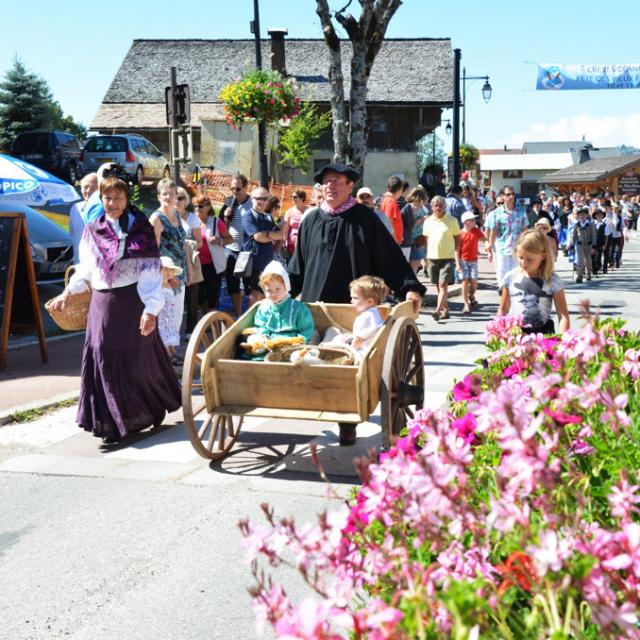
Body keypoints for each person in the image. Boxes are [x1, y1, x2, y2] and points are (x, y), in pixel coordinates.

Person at [49, 176, 181, 444]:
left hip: (131, 301)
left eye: (117, 197)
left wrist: (150, 309)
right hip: (101, 302)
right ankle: (111, 422)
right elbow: (85, 268)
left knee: (137, 360)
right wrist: (67, 292)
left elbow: (149, 273)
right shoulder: (93, 229)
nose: (112, 203)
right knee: (101, 355)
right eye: (107, 198)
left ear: (126, 199)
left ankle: (148, 408)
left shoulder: (140, 228)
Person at [288, 163, 425, 311]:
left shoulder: (365, 219)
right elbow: (297, 268)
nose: (330, 186)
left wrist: (410, 288)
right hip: (314, 311)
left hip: (356, 312)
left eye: (337, 181)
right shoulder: (310, 220)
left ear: (350, 186)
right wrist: (280, 293)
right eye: (326, 181)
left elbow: (389, 257)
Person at [497, 229, 570, 335]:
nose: (523, 262)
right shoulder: (510, 277)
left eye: (529, 259)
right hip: (517, 334)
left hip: (544, 335)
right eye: (520, 257)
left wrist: (565, 340)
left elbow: (563, 315)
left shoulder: (553, 280)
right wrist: (499, 332)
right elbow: (503, 310)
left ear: (543, 256)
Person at [239, 260, 314, 359]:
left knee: (296, 357)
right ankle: (253, 349)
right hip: (269, 344)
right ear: (264, 290)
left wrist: (299, 340)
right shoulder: (264, 308)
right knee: (253, 344)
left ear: (286, 287)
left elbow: (307, 328)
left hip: (290, 344)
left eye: (277, 289)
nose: (273, 294)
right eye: (269, 290)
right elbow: (261, 325)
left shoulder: (298, 309)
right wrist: (264, 336)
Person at [149, 179, 190, 343]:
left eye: (171, 194)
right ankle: (164, 354)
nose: (168, 196)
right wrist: (167, 276)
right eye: (164, 193)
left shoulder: (177, 215)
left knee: (177, 314)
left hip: (180, 271)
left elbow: (183, 243)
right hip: (165, 276)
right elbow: (153, 251)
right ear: (159, 196)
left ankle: (171, 350)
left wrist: (189, 269)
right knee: (165, 316)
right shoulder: (156, 218)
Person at [241, 186, 284, 306]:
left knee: (264, 295)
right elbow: (258, 237)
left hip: (267, 263)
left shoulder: (268, 217)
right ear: (252, 199)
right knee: (255, 296)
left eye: (265, 199)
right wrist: (271, 235)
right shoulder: (248, 216)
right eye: (258, 198)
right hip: (253, 264)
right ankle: (250, 322)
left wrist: (267, 234)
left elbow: (280, 235)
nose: (261, 201)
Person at [423, 195, 461, 321]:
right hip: (432, 257)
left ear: (445, 206)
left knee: (443, 285)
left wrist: (454, 252)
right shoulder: (428, 221)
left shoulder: (452, 220)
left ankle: (437, 310)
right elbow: (426, 239)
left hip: (447, 258)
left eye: (440, 205)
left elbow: (457, 238)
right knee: (438, 286)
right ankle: (446, 310)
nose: (438, 208)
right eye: (435, 205)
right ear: (432, 207)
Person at [486, 185, 530, 290]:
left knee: (516, 275)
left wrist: (528, 245)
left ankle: (513, 300)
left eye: (513, 194)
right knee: (502, 276)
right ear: (502, 196)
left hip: (517, 248)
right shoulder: (496, 213)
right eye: (508, 194)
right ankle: (504, 298)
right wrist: (490, 250)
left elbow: (525, 229)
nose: (511, 196)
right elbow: (493, 232)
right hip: (501, 249)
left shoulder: (521, 211)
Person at [222, 174, 254, 317]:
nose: (235, 192)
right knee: (232, 283)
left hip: (248, 249)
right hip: (232, 248)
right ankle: (238, 314)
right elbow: (222, 227)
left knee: (249, 283)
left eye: (238, 188)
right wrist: (226, 216)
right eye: (232, 188)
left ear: (246, 188)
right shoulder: (228, 202)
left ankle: (249, 313)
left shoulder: (253, 202)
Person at [194, 194, 232, 313]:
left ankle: (211, 324)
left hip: (213, 265)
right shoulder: (193, 222)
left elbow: (230, 239)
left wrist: (219, 240)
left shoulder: (216, 222)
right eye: (195, 206)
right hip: (197, 264)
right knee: (199, 296)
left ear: (208, 207)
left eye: (200, 206)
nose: (197, 209)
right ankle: (205, 320)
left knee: (211, 295)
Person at [176, 186, 203, 336]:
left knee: (191, 298)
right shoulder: (166, 217)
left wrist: (185, 244)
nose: (178, 201)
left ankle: (190, 330)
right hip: (172, 262)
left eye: (181, 198)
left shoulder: (192, 218)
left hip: (189, 262)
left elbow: (199, 242)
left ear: (186, 201)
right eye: (175, 197)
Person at [348, 275, 386, 355]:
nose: (351, 301)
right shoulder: (374, 313)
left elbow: (358, 339)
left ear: (369, 301)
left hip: (362, 353)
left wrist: (349, 352)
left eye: (355, 298)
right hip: (368, 349)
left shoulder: (367, 317)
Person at [457, 211, 486, 314]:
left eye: (474, 219)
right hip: (463, 260)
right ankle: (466, 304)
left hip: (473, 260)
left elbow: (484, 239)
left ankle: (472, 295)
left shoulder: (476, 231)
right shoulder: (460, 234)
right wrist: (457, 264)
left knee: (474, 281)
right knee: (465, 281)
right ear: (466, 222)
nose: (475, 221)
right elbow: (457, 250)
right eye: (472, 220)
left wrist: (487, 245)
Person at [157, 256, 183, 364]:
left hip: (169, 315)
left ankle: (172, 350)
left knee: (170, 330)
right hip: (162, 316)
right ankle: (167, 354)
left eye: (171, 270)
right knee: (163, 332)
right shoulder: (158, 286)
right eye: (165, 269)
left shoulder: (168, 284)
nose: (168, 272)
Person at [69, 173, 98, 263]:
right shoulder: (75, 208)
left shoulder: (107, 210)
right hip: (79, 264)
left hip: (98, 265)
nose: (88, 191)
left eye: (93, 188)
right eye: (85, 187)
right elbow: (71, 235)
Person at [401, 186, 429, 273]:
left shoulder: (419, 207)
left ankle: (412, 282)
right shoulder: (411, 207)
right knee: (412, 263)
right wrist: (422, 219)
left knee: (416, 262)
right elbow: (410, 225)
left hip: (418, 240)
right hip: (411, 240)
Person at [571, 207, 594, 283]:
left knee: (588, 260)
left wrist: (593, 245)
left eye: (584, 214)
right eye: (581, 215)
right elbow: (574, 235)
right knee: (580, 261)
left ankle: (588, 274)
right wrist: (572, 244)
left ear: (587, 215)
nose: (582, 216)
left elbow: (593, 235)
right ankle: (579, 276)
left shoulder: (590, 224)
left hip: (588, 244)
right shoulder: (577, 225)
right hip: (579, 244)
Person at [281, 188, 307, 256]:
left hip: (304, 244)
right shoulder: (289, 211)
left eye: (295, 197)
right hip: (291, 245)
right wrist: (285, 242)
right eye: (291, 196)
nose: (292, 198)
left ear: (301, 198)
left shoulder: (308, 211)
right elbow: (285, 229)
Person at [379, 175, 405, 244]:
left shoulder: (386, 199)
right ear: (400, 189)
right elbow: (388, 222)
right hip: (391, 242)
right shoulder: (391, 201)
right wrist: (394, 241)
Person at [591, 208, 609, 276]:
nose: (599, 216)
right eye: (597, 215)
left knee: (598, 257)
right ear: (595, 216)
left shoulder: (604, 225)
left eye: (600, 215)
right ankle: (594, 271)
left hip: (600, 244)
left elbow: (606, 236)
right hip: (593, 244)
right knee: (592, 257)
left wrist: (605, 245)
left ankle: (598, 267)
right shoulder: (592, 224)